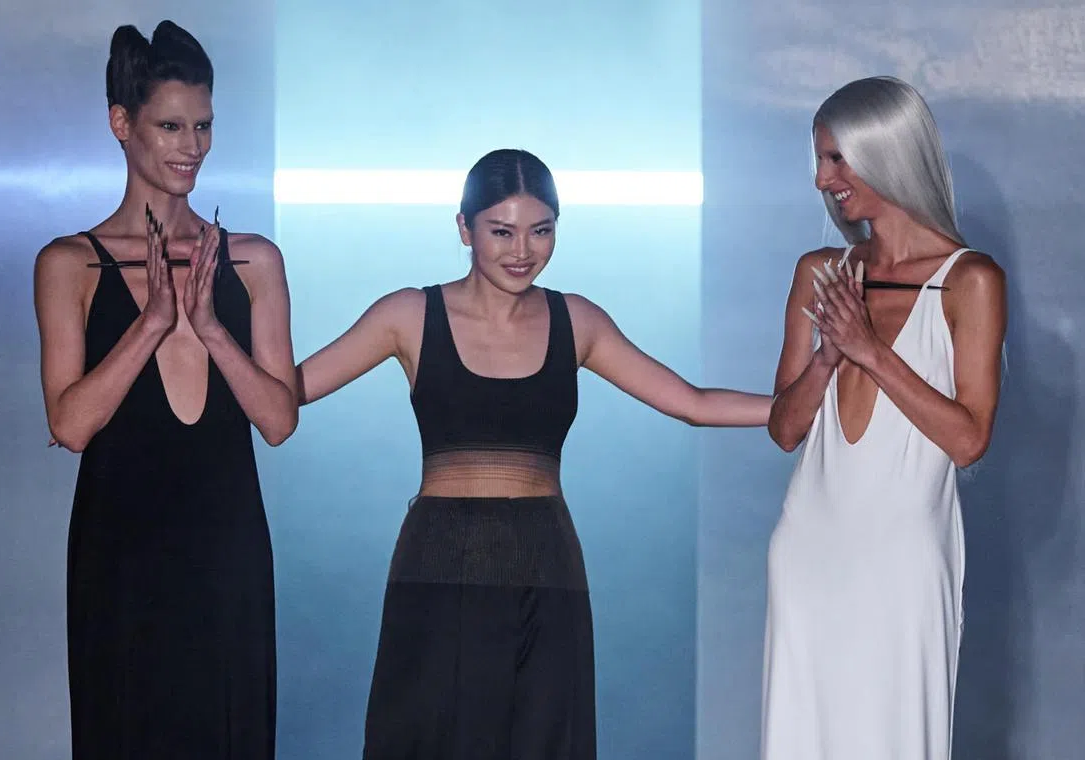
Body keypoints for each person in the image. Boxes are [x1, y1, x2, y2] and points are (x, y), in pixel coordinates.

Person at [296, 147, 771, 759]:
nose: (523, 250)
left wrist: (811, 401)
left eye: (541, 230)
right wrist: (202, 338)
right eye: (502, 231)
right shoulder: (408, 315)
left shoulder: (578, 320)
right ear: (464, 228)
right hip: (438, 566)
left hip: (545, 568)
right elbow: (286, 393)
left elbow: (693, 402)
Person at [33, 21, 296, 758]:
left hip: (227, 547)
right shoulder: (69, 263)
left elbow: (279, 420)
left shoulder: (253, 260)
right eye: (171, 126)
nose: (192, 146)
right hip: (121, 552)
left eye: (203, 126)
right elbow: (71, 425)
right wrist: (151, 322)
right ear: (122, 124)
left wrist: (210, 328)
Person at [762, 76, 1007, 760]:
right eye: (820, 160)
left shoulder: (970, 281)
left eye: (837, 158)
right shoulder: (819, 272)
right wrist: (827, 359)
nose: (822, 179)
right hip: (807, 550)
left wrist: (870, 350)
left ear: (888, 153)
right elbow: (784, 430)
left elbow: (969, 440)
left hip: (903, 560)